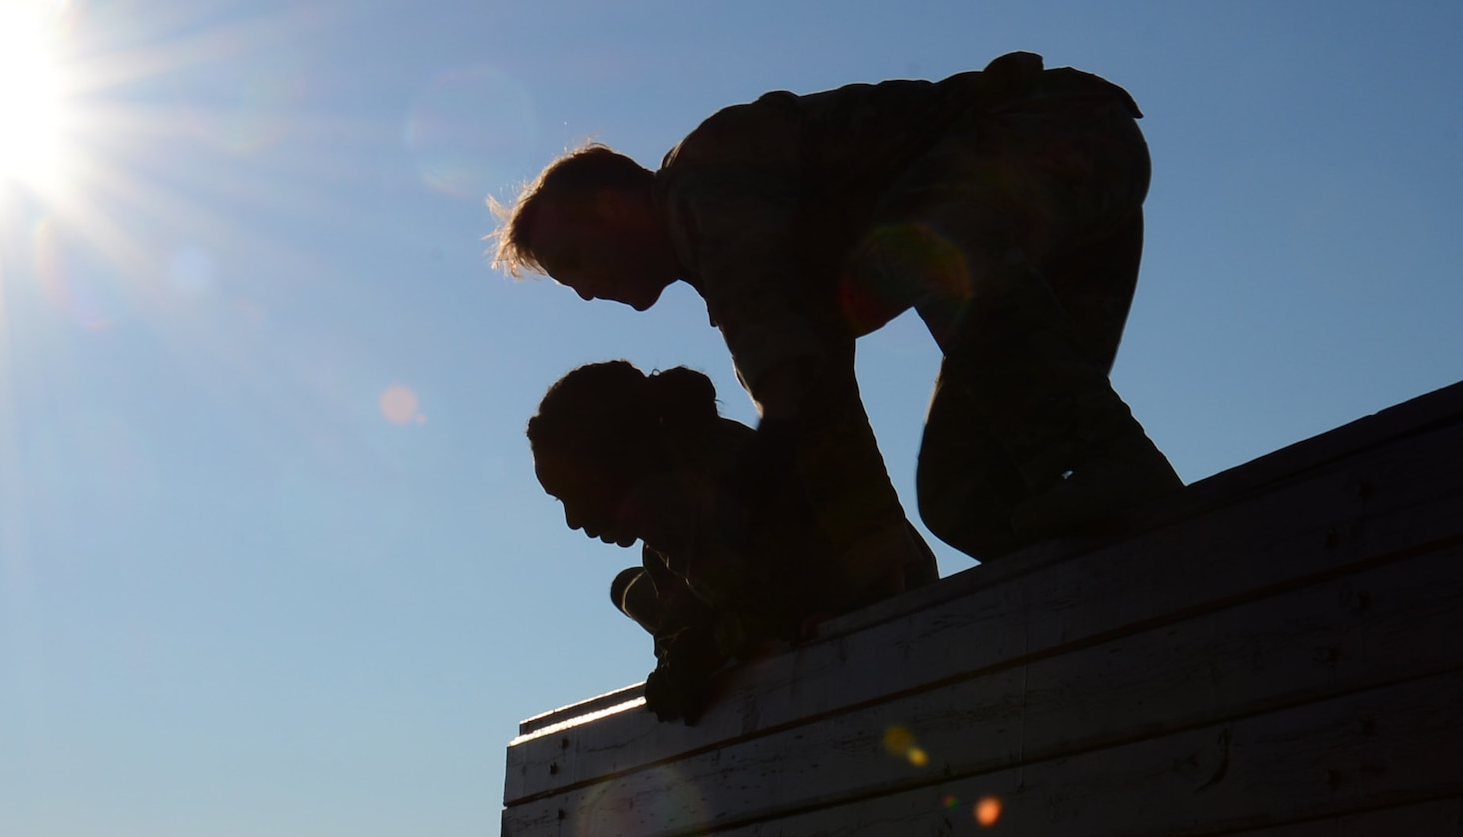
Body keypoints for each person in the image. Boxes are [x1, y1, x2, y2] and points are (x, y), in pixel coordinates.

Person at [495, 50, 1183, 586]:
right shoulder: (737, 266)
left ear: (615, 207)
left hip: (1056, 138)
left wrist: (761, 473)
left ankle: (1108, 460)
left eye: (577, 261)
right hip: (1041, 227)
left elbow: (787, 368)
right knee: (965, 497)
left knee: (929, 249)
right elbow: (817, 399)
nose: (586, 292)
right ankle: (1138, 595)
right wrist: (880, 557)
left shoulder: (705, 183)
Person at [529, 361, 931, 721]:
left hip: (888, 612)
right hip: (797, 608)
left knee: (647, 600)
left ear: (618, 462)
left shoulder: (727, 482)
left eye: (573, 494)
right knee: (633, 592)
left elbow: (793, 598)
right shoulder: (665, 528)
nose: (573, 520)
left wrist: (705, 649)